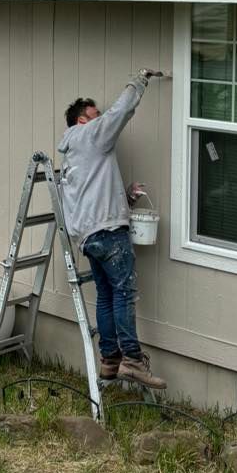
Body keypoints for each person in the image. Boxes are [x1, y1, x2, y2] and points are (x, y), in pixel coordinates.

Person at [57, 70, 166, 389]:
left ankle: (109, 361)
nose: (101, 118)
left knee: (105, 296)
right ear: (82, 120)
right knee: (124, 293)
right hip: (109, 235)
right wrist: (140, 80)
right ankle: (131, 360)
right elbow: (121, 111)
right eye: (95, 115)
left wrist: (124, 196)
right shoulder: (90, 135)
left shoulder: (73, 153)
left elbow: (92, 195)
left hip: (89, 238)